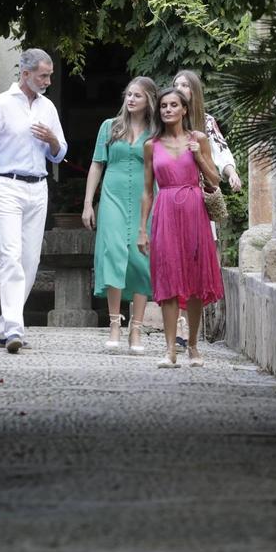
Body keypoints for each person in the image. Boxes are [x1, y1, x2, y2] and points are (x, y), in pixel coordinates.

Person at [0, 48, 67, 354]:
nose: (48, 80)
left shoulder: (48, 107)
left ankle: (5, 324)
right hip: (6, 185)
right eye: (43, 75)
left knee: (30, 261)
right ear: (25, 74)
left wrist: (52, 140)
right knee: (10, 256)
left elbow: (60, 152)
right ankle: (14, 328)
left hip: (38, 187)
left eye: (49, 75)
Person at [137, 88, 224, 368]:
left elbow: (214, 180)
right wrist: (142, 228)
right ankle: (170, 349)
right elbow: (147, 191)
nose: (168, 110)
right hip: (165, 211)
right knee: (169, 279)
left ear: (185, 109)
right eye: (163, 105)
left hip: (194, 210)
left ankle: (194, 346)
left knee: (196, 282)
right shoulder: (151, 144)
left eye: (174, 105)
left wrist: (199, 156)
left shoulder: (198, 139)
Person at [82, 77, 158, 353]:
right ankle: (114, 324)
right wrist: (88, 202)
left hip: (144, 198)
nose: (131, 99)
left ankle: (135, 330)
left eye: (137, 96)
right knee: (113, 253)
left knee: (140, 259)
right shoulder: (109, 127)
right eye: (128, 94)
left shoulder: (155, 132)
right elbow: (96, 165)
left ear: (148, 99)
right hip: (112, 196)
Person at [166, 69, 241, 348]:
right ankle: (183, 324)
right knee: (177, 261)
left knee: (195, 261)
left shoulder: (206, 123)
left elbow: (222, 152)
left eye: (185, 85)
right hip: (172, 200)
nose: (180, 88)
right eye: (176, 85)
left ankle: (193, 325)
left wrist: (231, 173)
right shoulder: (166, 122)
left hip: (198, 200)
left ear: (194, 91)